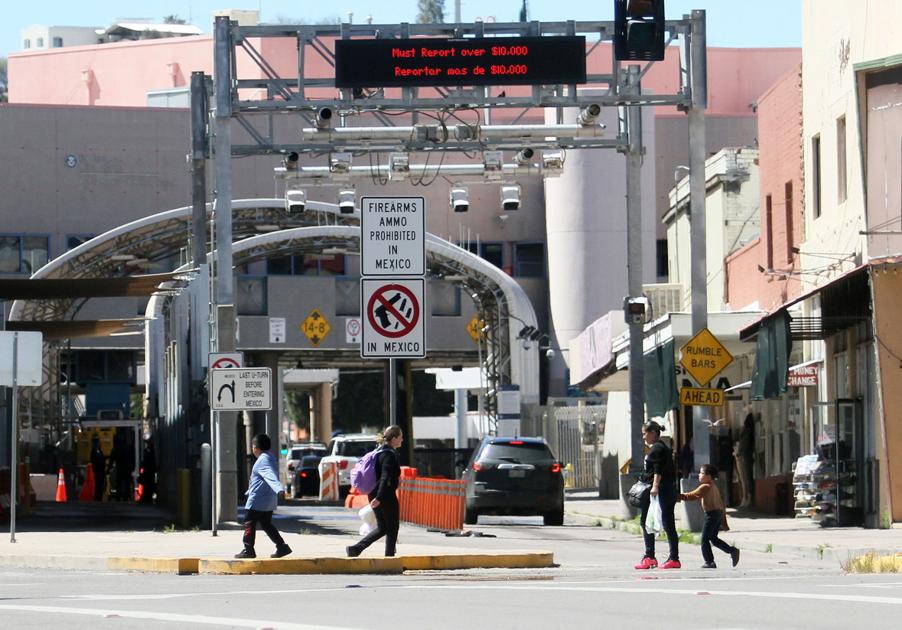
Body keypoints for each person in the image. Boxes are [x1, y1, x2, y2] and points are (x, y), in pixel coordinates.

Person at [346, 425, 403, 558]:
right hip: (385, 495)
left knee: (383, 528)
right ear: (394, 439)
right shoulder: (389, 455)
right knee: (393, 527)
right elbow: (385, 477)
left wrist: (376, 497)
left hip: (374, 493)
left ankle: (355, 549)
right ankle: (389, 558)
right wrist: (379, 497)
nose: (402, 440)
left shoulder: (379, 451)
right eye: (400, 437)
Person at [235, 434, 292, 559]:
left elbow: (269, 475)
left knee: (249, 523)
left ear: (255, 447)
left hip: (258, 500)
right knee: (266, 524)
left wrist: (279, 489)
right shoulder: (270, 457)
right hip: (267, 500)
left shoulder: (263, 460)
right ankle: (282, 546)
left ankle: (248, 550)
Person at [635, 420, 681, 570]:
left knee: (650, 522)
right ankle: (668, 557)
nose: (643, 437)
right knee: (665, 523)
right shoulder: (660, 447)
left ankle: (653, 557)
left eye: (645, 434)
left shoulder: (657, 448)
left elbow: (658, 469)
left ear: (653, 433)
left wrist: (655, 486)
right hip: (666, 490)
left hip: (660, 492)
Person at [680, 464, 740, 569]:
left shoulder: (706, 486)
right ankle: (732, 551)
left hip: (711, 515)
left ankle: (709, 561)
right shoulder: (713, 486)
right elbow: (721, 505)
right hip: (716, 514)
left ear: (709, 476)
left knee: (704, 539)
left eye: (702, 473)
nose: (699, 475)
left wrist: (674, 496)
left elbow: (691, 496)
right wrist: (723, 521)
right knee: (713, 538)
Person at [138, 439, 157, 504]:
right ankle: (147, 498)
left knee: (147, 485)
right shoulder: (151, 451)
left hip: (148, 471)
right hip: (149, 471)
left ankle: (146, 498)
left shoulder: (149, 452)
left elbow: (146, 462)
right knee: (148, 485)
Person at [90, 438, 107, 502]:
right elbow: (98, 459)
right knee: (98, 484)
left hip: (99, 470)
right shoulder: (95, 450)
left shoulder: (98, 450)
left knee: (99, 484)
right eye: (99, 442)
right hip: (98, 470)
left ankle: (99, 497)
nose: (100, 444)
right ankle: (98, 497)